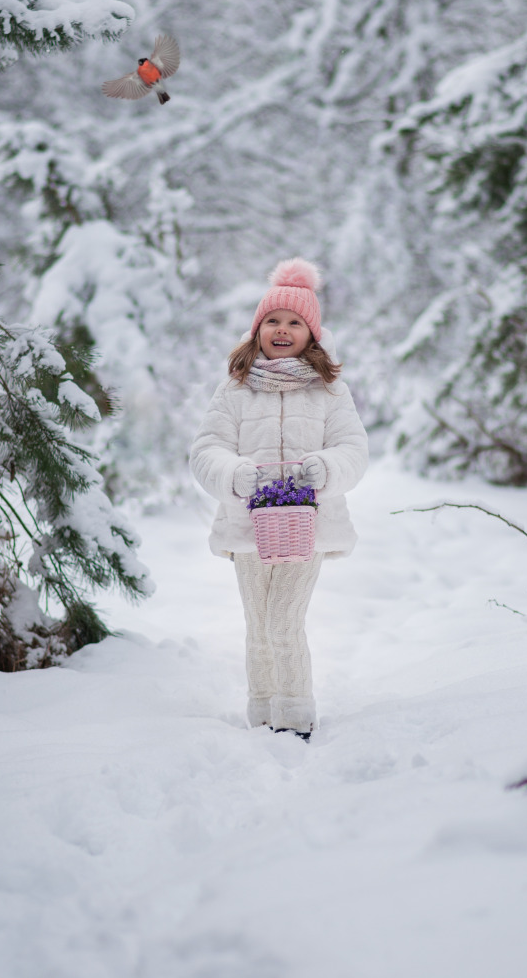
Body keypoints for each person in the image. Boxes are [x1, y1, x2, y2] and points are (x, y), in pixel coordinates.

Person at [189, 258, 368, 740]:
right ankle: (263, 710)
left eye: (295, 322)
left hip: (307, 525)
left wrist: (327, 468)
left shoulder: (330, 390)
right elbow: (206, 450)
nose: (282, 330)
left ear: (312, 333)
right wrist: (233, 474)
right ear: (257, 329)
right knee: (258, 625)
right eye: (273, 320)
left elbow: (354, 449)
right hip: (248, 528)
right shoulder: (235, 389)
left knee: (283, 621)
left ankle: (294, 715)